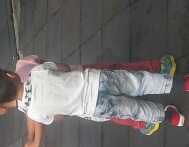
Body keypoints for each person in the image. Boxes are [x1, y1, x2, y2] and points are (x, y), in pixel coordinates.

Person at [0, 64, 189, 147]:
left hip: (94, 107)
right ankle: (185, 83)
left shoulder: (34, 113)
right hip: (97, 80)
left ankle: (169, 117)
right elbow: (63, 68)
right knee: (139, 82)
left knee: (134, 111)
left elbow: (59, 117)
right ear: (11, 75)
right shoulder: (37, 72)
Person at [15, 54, 178, 135]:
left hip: (86, 106)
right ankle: (159, 69)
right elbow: (55, 65)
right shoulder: (23, 65)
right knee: (126, 76)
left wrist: (31, 139)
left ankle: (146, 122)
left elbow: (53, 116)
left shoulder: (24, 106)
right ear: (9, 75)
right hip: (87, 76)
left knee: (118, 112)